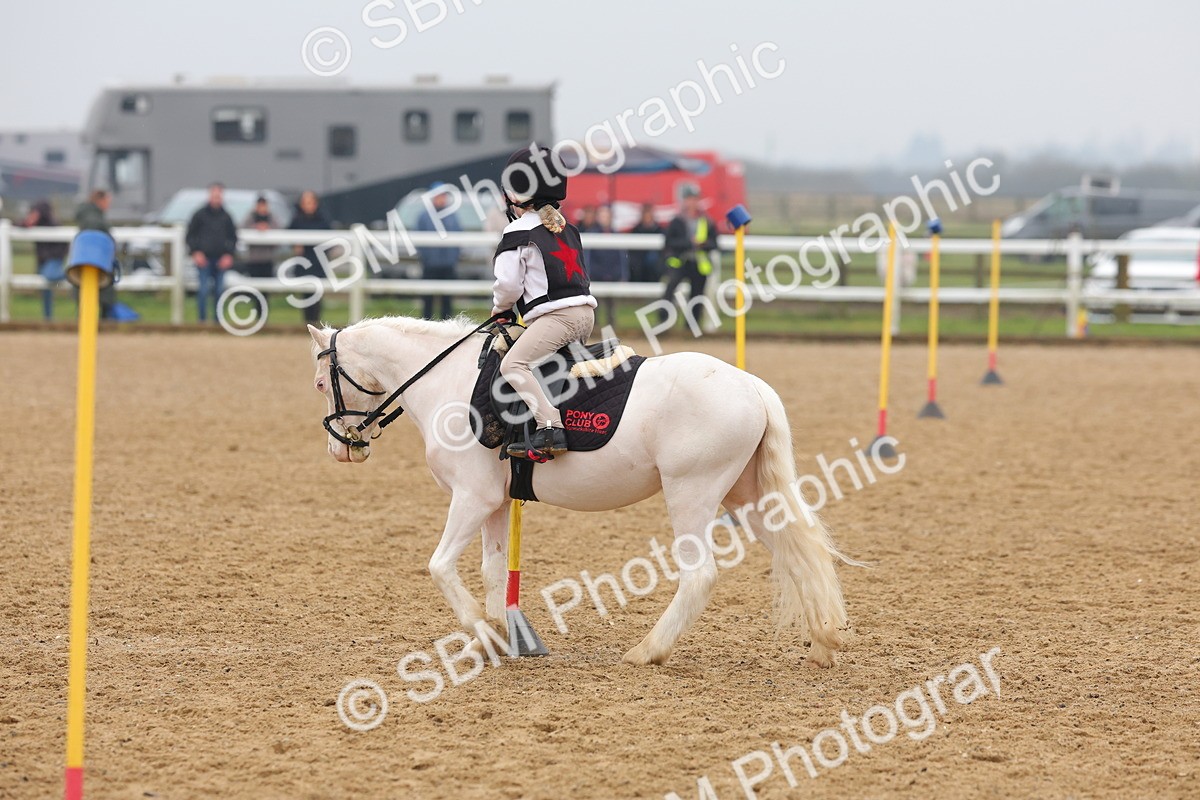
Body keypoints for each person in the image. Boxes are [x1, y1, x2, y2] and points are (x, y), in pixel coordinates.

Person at [492, 143, 597, 459]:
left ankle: (549, 426)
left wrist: (500, 310)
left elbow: (508, 285)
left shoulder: (517, 232)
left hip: (556, 320)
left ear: (517, 194)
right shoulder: (567, 228)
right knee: (548, 365)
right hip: (586, 316)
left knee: (513, 364)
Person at [660, 186, 718, 329]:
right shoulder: (677, 220)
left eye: (694, 199)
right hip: (680, 262)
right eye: (689, 199)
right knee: (669, 290)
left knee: (697, 295)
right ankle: (664, 322)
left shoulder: (707, 221)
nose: (692, 203)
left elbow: (714, 243)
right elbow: (669, 242)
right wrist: (689, 243)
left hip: (699, 263)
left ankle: (691, 327)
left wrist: (703, 244)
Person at [185, 183, 237, 323]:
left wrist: (228, 255)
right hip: (204, 259)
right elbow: (190, 236)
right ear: (209, 196)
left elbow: (233, 238)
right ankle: (202, 321)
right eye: (214, 195)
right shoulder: (199, 215)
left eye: (218, 196)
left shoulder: (226, 217)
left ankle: (218, 322)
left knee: (219, 291)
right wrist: (196, 252)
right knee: (203, 291)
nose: (216, 198)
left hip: (220, 259)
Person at [415, 183, 461, 319]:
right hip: (430, 265)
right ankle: (426, 324)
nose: (441, 199)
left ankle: (447, 325)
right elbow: (418, 239)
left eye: (443, 196)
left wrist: (453, 258)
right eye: (438, 196)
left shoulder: (452, 215)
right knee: (427, 299)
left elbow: (458, 237)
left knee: (447, 300)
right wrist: (427, 258)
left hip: (448, 265)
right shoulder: (424, 216)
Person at [288, 190, 331, 324]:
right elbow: (288, 237)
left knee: (317, 295)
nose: (308, 205)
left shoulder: (323, 220)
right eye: (305, 202)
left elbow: (330, 241)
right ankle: (306, 324)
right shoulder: (296, 220)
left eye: (311, 202)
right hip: (303, 263)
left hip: (318, 263)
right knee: (305, 295)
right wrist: (295, 244)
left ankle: (315, 323)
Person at [581, 205, 628, 329]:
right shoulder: (592, 234)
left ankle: (611, 327)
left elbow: (621, 258)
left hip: (612, 274)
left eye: (606, 216)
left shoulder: (616, 234)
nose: (604, 218)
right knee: (594, 304)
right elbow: (588, 258)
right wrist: (589, 274)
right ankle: (594, 328)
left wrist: (622, 275)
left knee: (611, 304)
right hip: (596, 274)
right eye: (602, 216)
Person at [74, 189, 118, 318]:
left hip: (90, 261)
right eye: (107, 201)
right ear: (100, 200)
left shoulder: (89, 214)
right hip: (96, 262)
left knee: (87, 301)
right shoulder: (94, 218)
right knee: (97, 298)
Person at [22, 200, 68, 321]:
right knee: (46, 290)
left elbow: (63, 246)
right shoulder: (37, 225)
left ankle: (71, 273)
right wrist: (27, 223)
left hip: (52, 260)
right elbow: (18, 224)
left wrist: (52, 257)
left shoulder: (54, 225)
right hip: (43, 262)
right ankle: (48, 319)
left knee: (49, 278)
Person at [241, 195, 278, 278]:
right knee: (253, 282)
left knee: (267, 282)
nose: (262, 208)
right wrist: (256, 228)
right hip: (253, 259)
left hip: (268, 259)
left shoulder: (271, 218)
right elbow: (243, 228)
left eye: (264, 205)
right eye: (260, 205)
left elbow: (278, 231)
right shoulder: (251, 217)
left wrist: (268, 228)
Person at [627, 203, 663, 282]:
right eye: (645, 215)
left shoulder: (659, 230)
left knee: (652, 259)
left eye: (649, 215)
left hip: (654, 266)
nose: (647, 218)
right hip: (639, 263)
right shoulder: (636, 230)